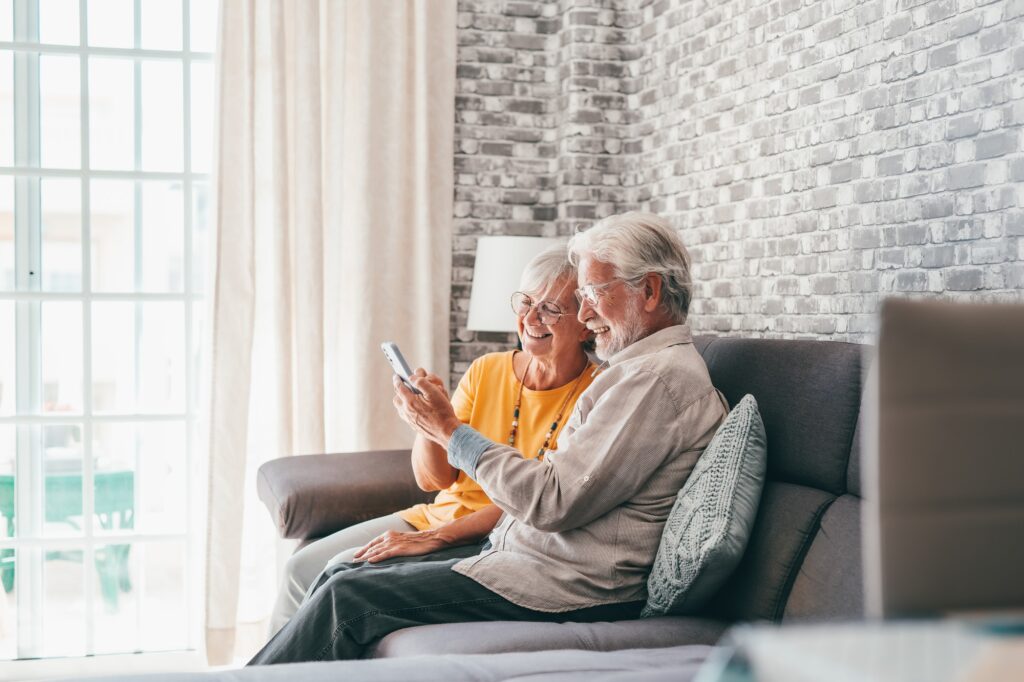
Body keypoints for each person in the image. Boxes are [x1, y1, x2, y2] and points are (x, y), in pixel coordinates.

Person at [249, 212, 728, 665]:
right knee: (341, 571)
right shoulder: (634, 372)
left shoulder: (655, 382)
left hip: (563, 583)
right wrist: (436, 432)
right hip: (526, 558)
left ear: (648, 290)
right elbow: (525, 486)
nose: (584, 313)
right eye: (576, 297)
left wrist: (451, 431)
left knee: (346, 597)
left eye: (591, 294)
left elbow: (552, 500)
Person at [267, 244, 598, 636]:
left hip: (492, 537)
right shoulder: (486, 370)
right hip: (432, 516)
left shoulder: (595, 394)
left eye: (549, 308)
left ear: (584, 323)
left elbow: (532, 502)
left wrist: (434, 539)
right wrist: (427, 421)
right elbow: (434, 481)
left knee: (339, 568)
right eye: (525, 302)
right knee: (298, 569)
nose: (530, 318)